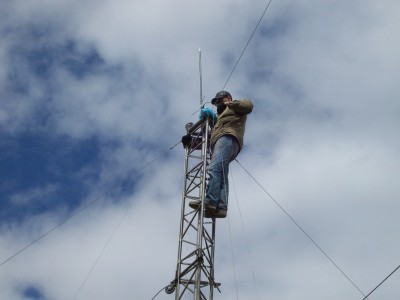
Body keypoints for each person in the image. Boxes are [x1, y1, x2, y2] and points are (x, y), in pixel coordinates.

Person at [189, 91, 253, 218]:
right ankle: (221, 207)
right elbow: (209, 138)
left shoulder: (234, 108)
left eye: (219, 101)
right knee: (221, 174)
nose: (218, 104)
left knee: (214, 169)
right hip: (223, 142)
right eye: (217, 102)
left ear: (227, 98)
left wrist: (229, 103)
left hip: (227, 139)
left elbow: (248, 106)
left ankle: (211, 201)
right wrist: (190, 141)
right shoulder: (218, 118)